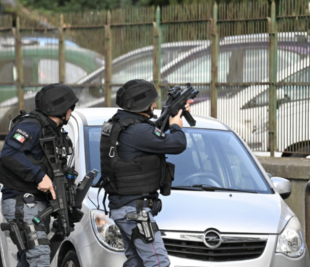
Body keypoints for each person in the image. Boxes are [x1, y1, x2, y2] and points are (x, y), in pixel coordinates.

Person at [99, 79, 192, 267]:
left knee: (137, 262)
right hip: (134, 210)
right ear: (142, 103)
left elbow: (152, 135)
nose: (155, 105)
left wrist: (171, 114)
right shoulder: (136, 131)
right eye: (152, 102)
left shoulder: (123, 125)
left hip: (124, 208)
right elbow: (177, 143)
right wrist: (176, 126)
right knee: (158, 262)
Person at [0, 83, 78, 267]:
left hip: (37, 204)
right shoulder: (31, 125)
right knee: (39, 257)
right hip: (23, 202)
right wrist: (39, 176)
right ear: (62, 109)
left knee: (29, 261)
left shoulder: (52, 130)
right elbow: (8, 153)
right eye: (70, 108)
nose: (71, 112)